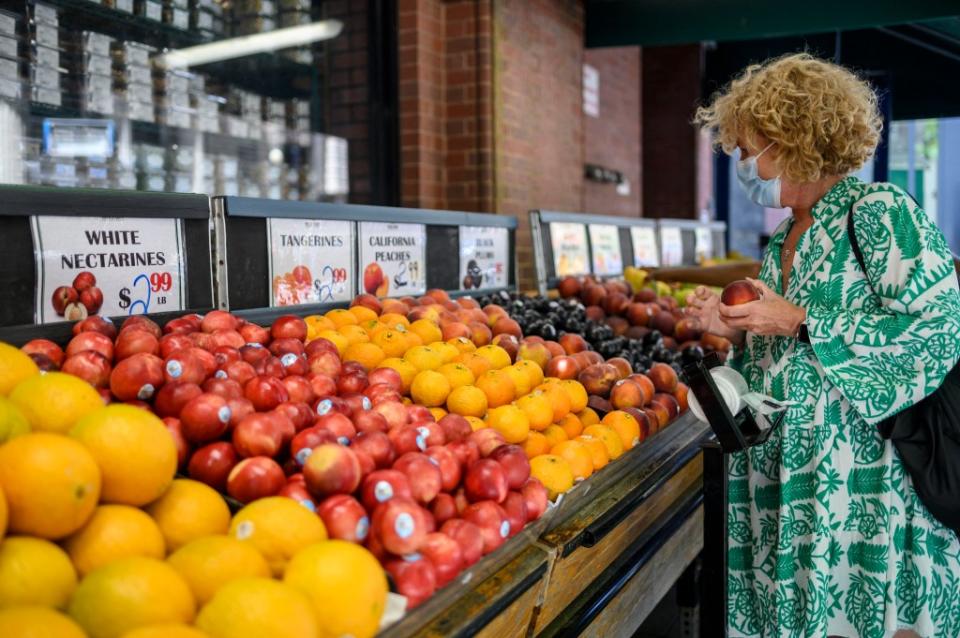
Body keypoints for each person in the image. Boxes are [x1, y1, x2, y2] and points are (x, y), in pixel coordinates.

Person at [688, 53, 960, 638]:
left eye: (747, 148)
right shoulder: (786, 235)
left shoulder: (880, 213)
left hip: (859, 493)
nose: (741, 164)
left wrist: (803, 320)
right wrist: (735, 327)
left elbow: (937, 333)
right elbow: (782, 356)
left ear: (792, 139)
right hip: (781, 485)